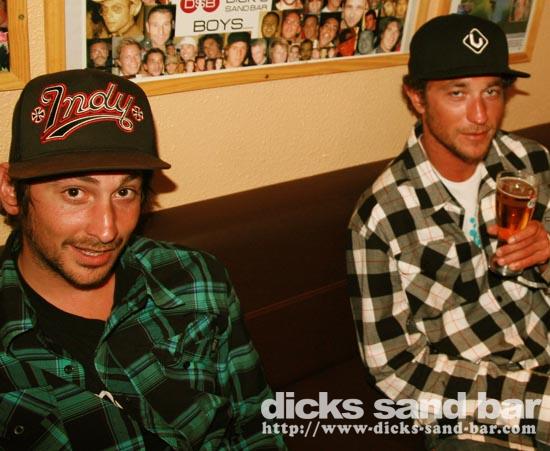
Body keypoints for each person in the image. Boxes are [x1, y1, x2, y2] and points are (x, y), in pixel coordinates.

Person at [0, 68, 286, 450]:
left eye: (125, 192)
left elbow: (257, 426)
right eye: (74, 192)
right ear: (11, 191)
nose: (107, 230)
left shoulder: (196, 279)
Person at [348, 13, 550, 450]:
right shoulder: (382, 217)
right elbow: (394, 370)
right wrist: (537, 405)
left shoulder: (531, 163)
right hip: (469, 414)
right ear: (416, 97)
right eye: (457, 93)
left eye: (491, 91)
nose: (480, 115)